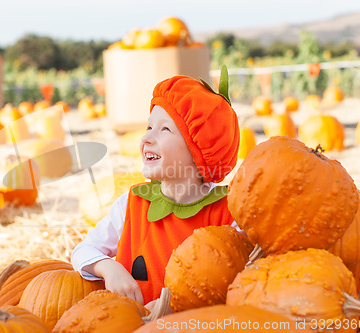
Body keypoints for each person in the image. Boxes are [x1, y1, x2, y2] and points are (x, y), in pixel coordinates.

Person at [71, 70, 240, 309]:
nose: (147, 139)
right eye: (149, 127)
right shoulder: (133, 204)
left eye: (164, 130)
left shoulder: (227, 216)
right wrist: (109, 268)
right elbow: (83, 251)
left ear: (199, 151)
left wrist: (170, 309)